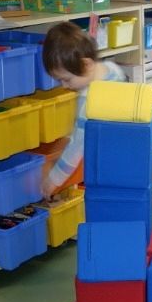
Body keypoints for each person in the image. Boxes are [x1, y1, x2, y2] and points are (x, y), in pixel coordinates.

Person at [40, 21, 125, 197]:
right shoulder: (113, 70)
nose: (64, 86)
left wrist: (53, 180)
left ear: (86, 65)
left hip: (108, 164)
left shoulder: (89, 100)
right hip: (127, 152)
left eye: (66, 79)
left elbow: (77, 147)